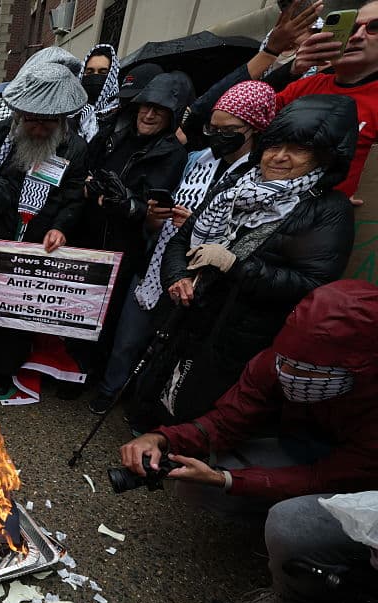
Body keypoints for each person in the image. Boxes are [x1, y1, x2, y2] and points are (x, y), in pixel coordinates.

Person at [131, 94, 356, 427]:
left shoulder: (327, 210)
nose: (279, 157)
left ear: (323, 157)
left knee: (200, 414)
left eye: (297, 149)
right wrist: (176, 277)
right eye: (274, 146)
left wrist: (235, 266)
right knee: (157, 398)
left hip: (239, 339)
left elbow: (312, 285)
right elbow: (182, 239)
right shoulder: (237, 186)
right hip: (188, 318)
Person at [88, 80, 278, 415]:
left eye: (227, 129)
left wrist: (197, 224)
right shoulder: (195, 160)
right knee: (128, 337)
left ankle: (146, 407)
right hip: (158, 261)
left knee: (170, 350)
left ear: (253, 129)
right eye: (212, 128)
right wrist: (155, 218)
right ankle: (110, 389)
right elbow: (162, 204)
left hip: (203, 277)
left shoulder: (260, 178)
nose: (216, 135)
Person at [119, 279, 378, 515]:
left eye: (307, 370)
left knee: (288, 525)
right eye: (284, 360)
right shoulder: (274, 362)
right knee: (196, 484)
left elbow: (330, 477)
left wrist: (229, 480)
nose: (287, 373)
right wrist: (161, 438)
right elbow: (227, 420)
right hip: (301, 446)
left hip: (359, 482)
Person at [0, 60, 89, 394]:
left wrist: (61, 227)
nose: (40, 130)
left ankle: (2, 370)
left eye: (49, 123)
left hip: (36, 239)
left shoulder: (75, 148)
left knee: (16, 309)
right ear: (20, 115)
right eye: (33, 121)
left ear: (62, 119)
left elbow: (74, 196)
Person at [192, 0, 378, 199]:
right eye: (352, 27)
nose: (357, 36)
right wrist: (290, 70)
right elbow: (225, 114)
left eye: (374, 28)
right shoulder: (304, 85)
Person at [78, 72, 191, 379]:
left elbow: (156, 205)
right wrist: (90, 186)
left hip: (126, 246)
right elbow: (88, 167)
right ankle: (72, 367)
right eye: (146, 106)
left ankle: (90, 372)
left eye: (160, 109)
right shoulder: (116, 134)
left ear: (172, 116)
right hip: (88, 234)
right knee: (78, 303)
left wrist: (128, 204)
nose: (150, 114)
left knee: (107, 312)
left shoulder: (173, 152)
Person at [76, 43, 121, 142]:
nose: (95, 77)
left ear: (112, 77)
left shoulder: (120, 117)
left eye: (102, 72)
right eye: (90, 72)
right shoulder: (71, 113)